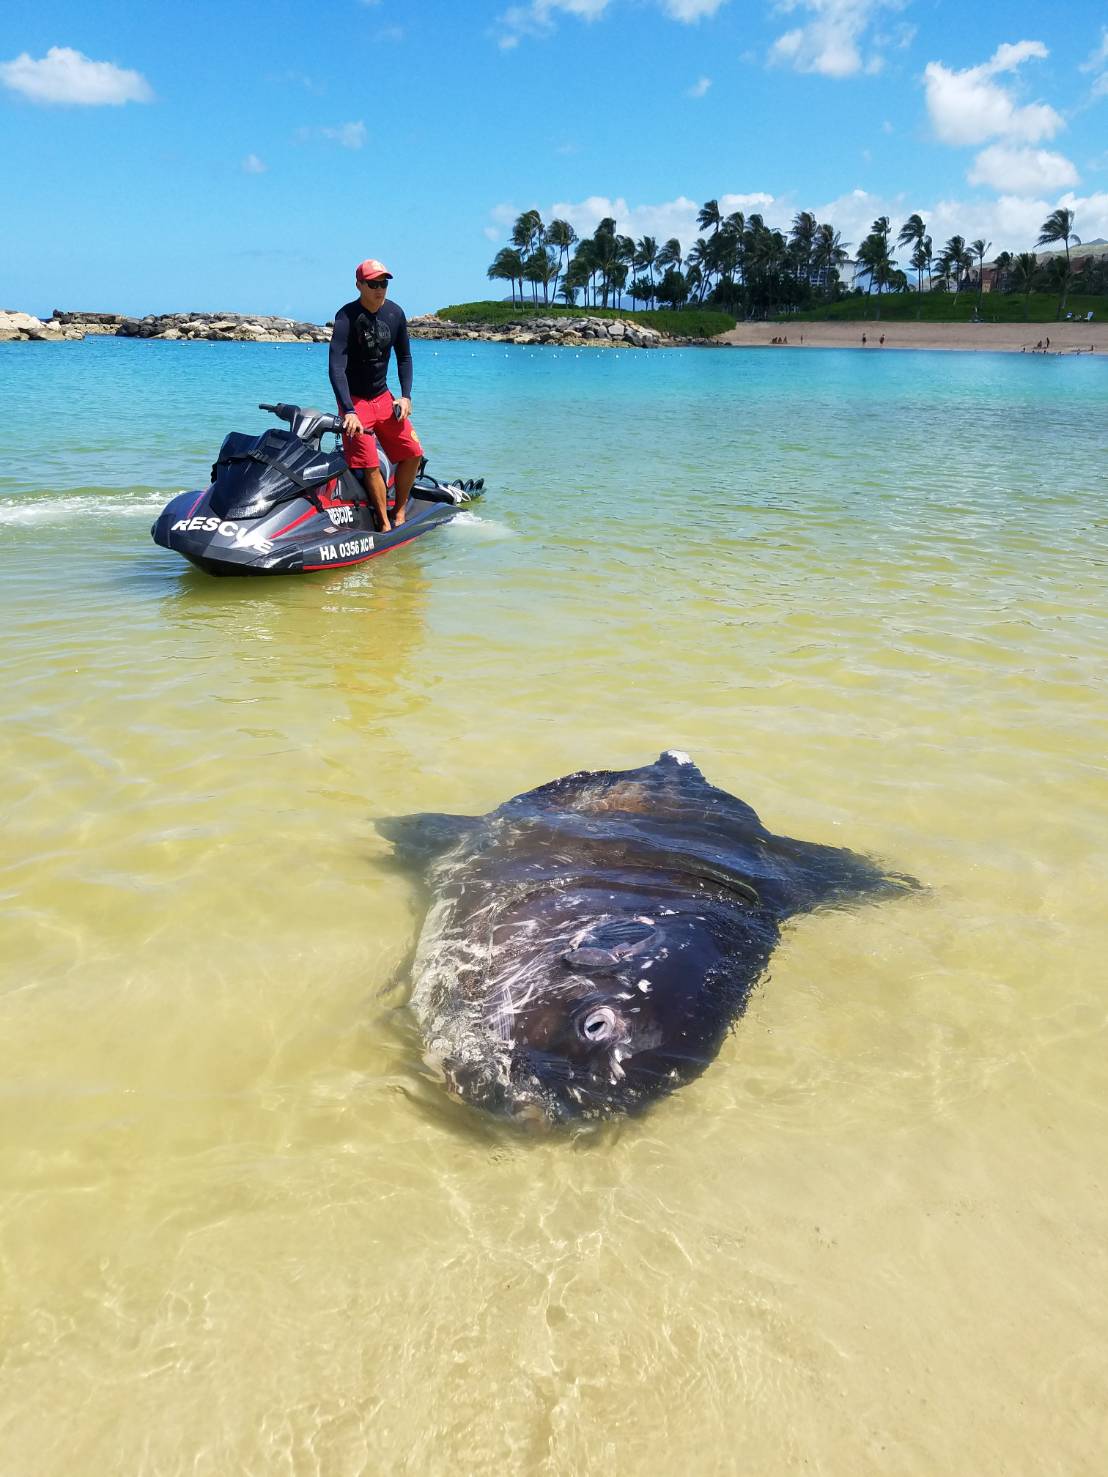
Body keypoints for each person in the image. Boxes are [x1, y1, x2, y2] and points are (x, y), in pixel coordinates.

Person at [328, 258, 423, 530]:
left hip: (383, 397)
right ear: (359, 285)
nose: (379, 289)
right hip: (355, 402)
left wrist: (405, 396)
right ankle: (383, 523)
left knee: (413, 452)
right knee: (369, 462)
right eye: (373, 284)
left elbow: (404, 357)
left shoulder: (395, 313)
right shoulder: (346, 317)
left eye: (383, 283)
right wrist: (348, 410)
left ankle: (400, 511)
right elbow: (336, 367)